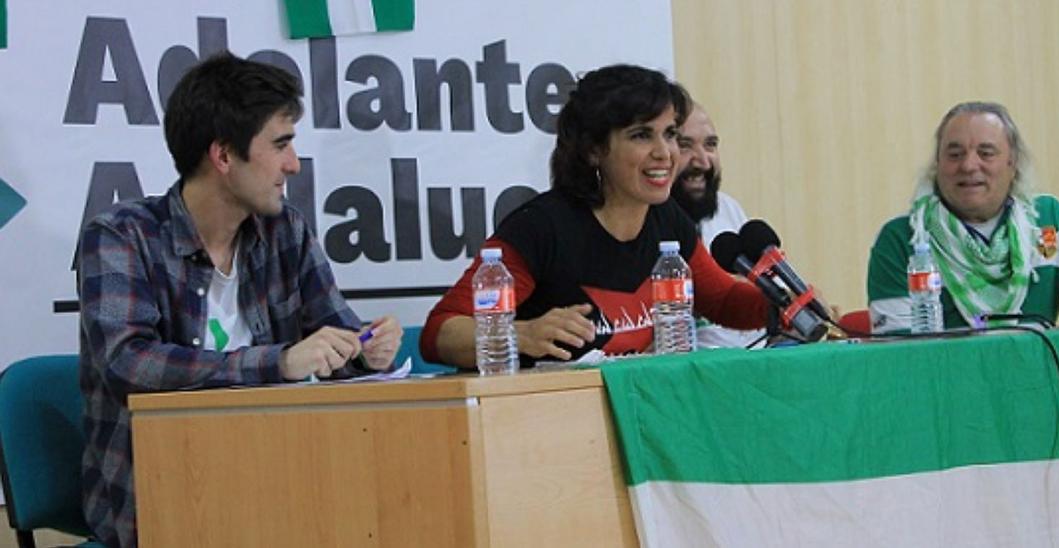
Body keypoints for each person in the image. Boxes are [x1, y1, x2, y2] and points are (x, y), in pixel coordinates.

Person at [76, 52, 403, 547]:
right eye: (280, 144)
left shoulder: (285, 231)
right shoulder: (121, 236)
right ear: (224, 156)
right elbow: (128, 363)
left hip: (281, 478)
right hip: (163, 495)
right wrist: (279, 363)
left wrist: (365, 350)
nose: (293, 164)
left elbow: (336, 334)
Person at [421, 65, 768, 368]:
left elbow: (722, 300)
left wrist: (788, 303)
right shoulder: (541, 229)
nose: (665, 153)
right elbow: (441, 331)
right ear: (593, 149)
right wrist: (520, 333)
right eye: (641, 135)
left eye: (670, 135)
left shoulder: (667, 219)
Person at [866, 101, 1059, 332]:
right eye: (955, 155)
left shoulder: (1048, 220)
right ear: (938, 165)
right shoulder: (902, 239)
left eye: (986, 153)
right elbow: (898, 355)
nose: (969, 166)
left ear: (1012, 163)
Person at [671, 102, 765, 348]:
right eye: (685, 145)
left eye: (710, 145)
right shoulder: (645, 220)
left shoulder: (727, 208)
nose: (702, 161)